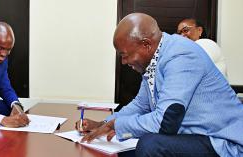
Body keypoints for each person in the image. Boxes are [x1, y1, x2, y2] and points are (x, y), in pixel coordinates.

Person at [75, 13, 243, 157]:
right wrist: (104, 123)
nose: (124, 61)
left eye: (125, 55)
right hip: (194, 134)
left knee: (150, 145)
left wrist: (117, 125)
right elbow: (141, 105)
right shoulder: (155, 60)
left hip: (222, 141)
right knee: (125, 147)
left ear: (146, 44)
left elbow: (165, 122)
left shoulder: (181, 55)